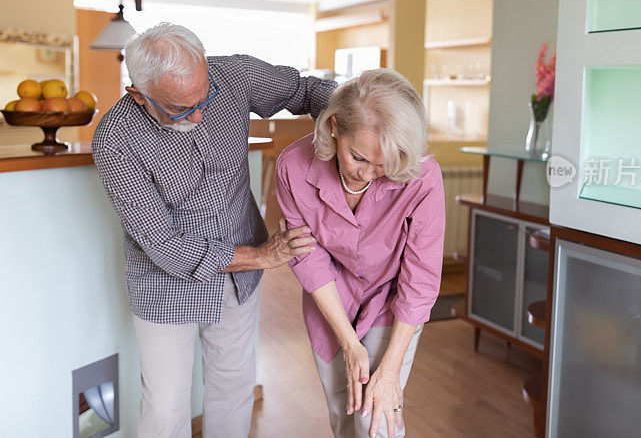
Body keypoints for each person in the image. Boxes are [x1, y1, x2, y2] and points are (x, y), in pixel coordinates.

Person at [91, 22, 335, 438]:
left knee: (234, 388)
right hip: (165, 284)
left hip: (238, 282)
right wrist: (261, 256)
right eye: (182, 110)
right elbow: (163, 244)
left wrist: (355, 125)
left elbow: (308, 91)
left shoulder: (234, 75)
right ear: (139, 94)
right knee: (166, 408)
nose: (201, 115)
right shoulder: (115, 140)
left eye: (206, 98)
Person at [275, 68, 445, 438]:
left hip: (392, 302)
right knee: (343, 411)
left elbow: (422, 278)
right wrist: (350, 344)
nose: (368, 175)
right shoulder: (293, 165)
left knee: (376, 420)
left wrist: (391, 368)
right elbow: (308, 256)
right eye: (358, 158)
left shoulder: (423, 176)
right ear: (334, 126)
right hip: (333, 298)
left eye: (383, 165)